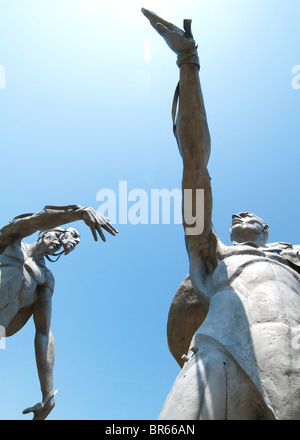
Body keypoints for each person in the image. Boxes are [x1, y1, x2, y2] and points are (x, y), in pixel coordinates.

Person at [142, 9, 300, 419]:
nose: (240, 213)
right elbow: (194, 163)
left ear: (266, 230)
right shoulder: (211, 253)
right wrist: (188, 64)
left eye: (252, 216)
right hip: (219, 354)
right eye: (236, 215)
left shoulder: (293, 256)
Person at [0, 204, 117, 420]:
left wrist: (48, 394)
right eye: (60, 235)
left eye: (66, 244)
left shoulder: (44, 279)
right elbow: (34, 221)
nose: (60, 243)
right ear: (47, 231)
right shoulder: (11, 241)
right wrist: (78, 214)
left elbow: (43, 333)